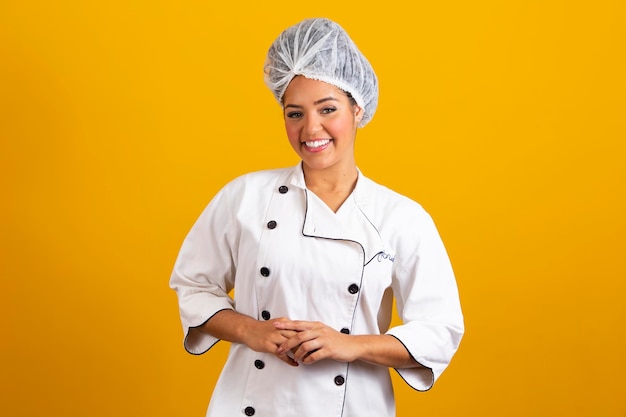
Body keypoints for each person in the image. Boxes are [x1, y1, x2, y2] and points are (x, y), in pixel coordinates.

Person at [170, 17, 464, 417]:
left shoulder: (401, 217)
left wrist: (350, 344)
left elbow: (439, 329)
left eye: (328, 109)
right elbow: (193, 285)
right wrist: (251, 331)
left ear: (358, 109)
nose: (311, 129)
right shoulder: (245, 197)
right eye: (295, 113)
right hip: (249, 404)